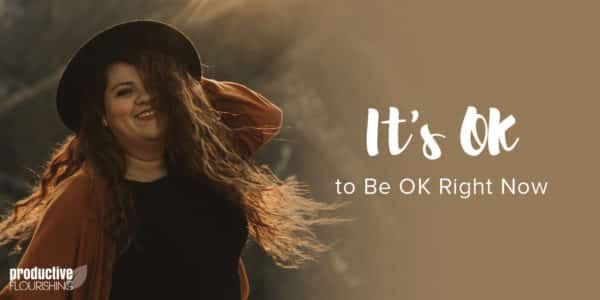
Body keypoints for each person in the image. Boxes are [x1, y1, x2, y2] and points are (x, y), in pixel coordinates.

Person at [0, 20, 338, 300]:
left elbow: (263, 114)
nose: (144, 96)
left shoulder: (206, 164)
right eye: (124, 91)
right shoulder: (84, 199)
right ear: (103, 115)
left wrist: (180, 86)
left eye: (153, 83)